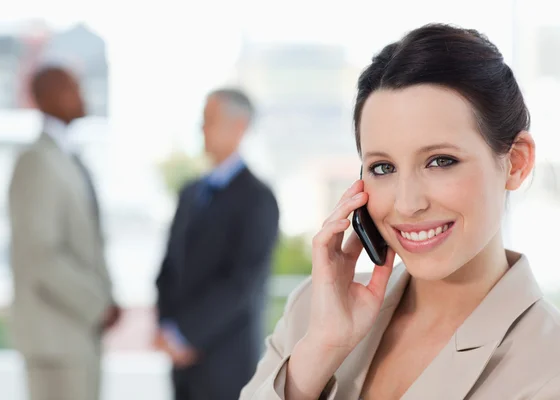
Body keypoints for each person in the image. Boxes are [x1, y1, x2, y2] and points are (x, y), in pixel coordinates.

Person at [241, 23, 560, 399]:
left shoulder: (546, 366)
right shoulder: (316, 310)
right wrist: (322, 350)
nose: (407, 204)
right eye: (383, 168)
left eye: (441, 161)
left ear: (517, 162)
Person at [155, 88, 280, 400]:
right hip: (181, 365)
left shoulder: (258, 199)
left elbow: (242, 283)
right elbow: (170, 266)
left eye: (209, 121)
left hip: (227, 362)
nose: (202, 130)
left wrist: (187, 336)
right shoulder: (190, 192)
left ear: (239, 128)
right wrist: (166, 327)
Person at [8, 66, 120, 400]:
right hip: (54, 340)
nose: (82, 97)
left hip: (76, 336)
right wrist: (98, 304)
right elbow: (41, 254)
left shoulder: (67, 157)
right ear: (47, 97)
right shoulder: (36, 162)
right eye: (73, 89)